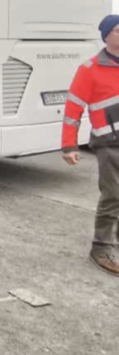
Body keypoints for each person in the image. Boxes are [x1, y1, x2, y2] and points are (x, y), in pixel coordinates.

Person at [61, 14, 119, 275]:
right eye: (117, 30)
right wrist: (69, 145)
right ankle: (101, 248)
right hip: (108, 143)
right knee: (113, 195)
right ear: (106, 36)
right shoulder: (90, 69)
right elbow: (73, 108)